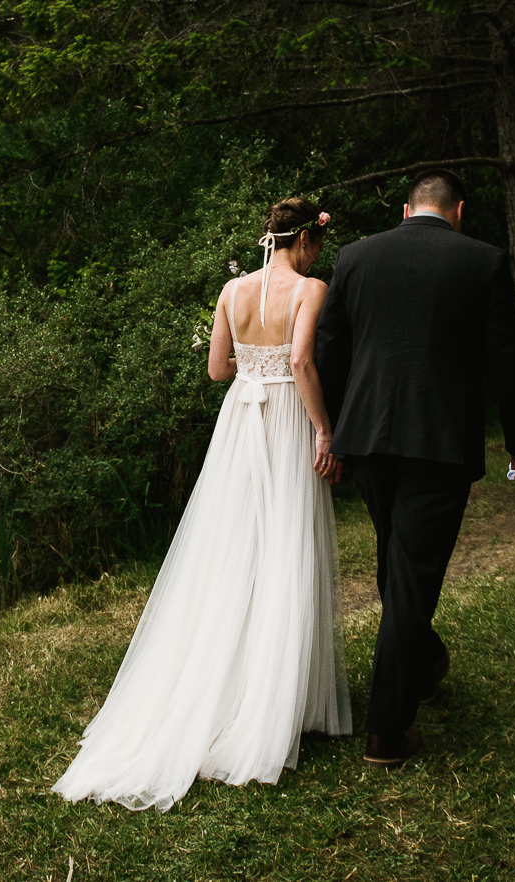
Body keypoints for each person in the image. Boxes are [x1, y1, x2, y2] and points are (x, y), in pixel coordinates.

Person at [51, 197, 352, 812]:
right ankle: (276, 701)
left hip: (240, 421)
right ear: (306, 241)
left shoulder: (231, 289)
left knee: (233, 547)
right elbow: (300, 362)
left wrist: (253, 367)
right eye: (318, 241)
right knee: (287, 546)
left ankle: (229, 685)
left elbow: (218, 370)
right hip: (287, 421)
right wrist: (324, 430)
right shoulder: (312, 287)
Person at [314, 168, 515, 769]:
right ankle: (387, 730)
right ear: (458, 210)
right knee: (410, 575)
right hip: (436, 442)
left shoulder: (356, 257)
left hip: (365, 440)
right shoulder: (482, 261)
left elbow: (329, 351)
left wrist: (330, 431)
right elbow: (508, 358)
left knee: (398, 560)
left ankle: (426, 658)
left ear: (407, 210)